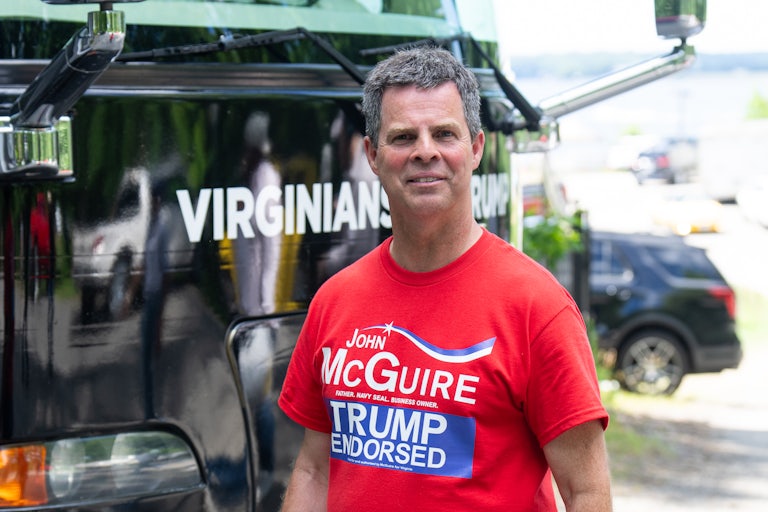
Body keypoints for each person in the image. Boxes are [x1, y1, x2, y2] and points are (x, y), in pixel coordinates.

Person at [277, 46, 612, 512]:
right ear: (373, 155)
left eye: (444, 133)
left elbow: (587, 493)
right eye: (403, 137)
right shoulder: (336, 300)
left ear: (475, 148)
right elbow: (315, 469)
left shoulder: (537, 308)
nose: (425, 151)